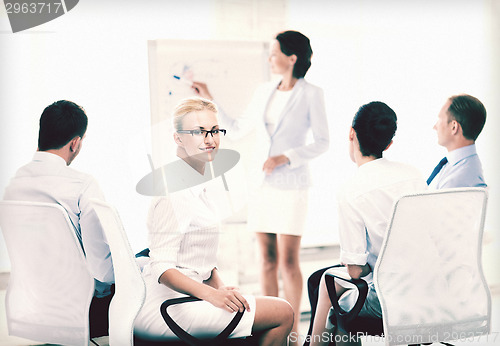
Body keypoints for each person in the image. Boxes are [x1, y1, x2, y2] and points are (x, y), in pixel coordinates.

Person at [192, 31, 329, 341]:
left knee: (288, 261)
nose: (269, 58)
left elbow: (323, 142)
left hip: (292, 185)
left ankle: (292, 331)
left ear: (292, 58)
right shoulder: (264, 91)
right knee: (266, 258)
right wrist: (209, 97)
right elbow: (239, 127)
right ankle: (273, 324)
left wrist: (286, 157)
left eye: (274, 52)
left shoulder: (311, 93)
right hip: (262, 185)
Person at [133, 97, 294, 345]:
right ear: (178, 138)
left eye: (215, 130)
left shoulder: (200, 185)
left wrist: (222, 288)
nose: (210, 139)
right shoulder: (173, 191)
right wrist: (212, 295)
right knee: (282, 312)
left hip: (188, 298)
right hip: (166, 307)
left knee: (262, 308)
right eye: (198, 132)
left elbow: (201, 261)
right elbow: (162, 268)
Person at [306, 102, 426, 346]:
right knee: (325, 282)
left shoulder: (352, 190)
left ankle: (313, 343)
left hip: (389, 302)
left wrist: (366, 262)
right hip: (427, 294)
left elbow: (355, 271)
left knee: (325, 284)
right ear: (388, 143)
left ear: (351, 133)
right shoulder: (413, 175)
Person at [3, 100, 115, 338]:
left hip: (29, 307)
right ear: (75, 143)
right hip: (82, 312)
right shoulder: (83, 185)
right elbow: (102, 272)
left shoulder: (12, 184)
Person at [427, 94, 487, 189]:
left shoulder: (459, 181)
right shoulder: (457, 166)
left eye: (439, 120)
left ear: (454, 127)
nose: (435, 127)